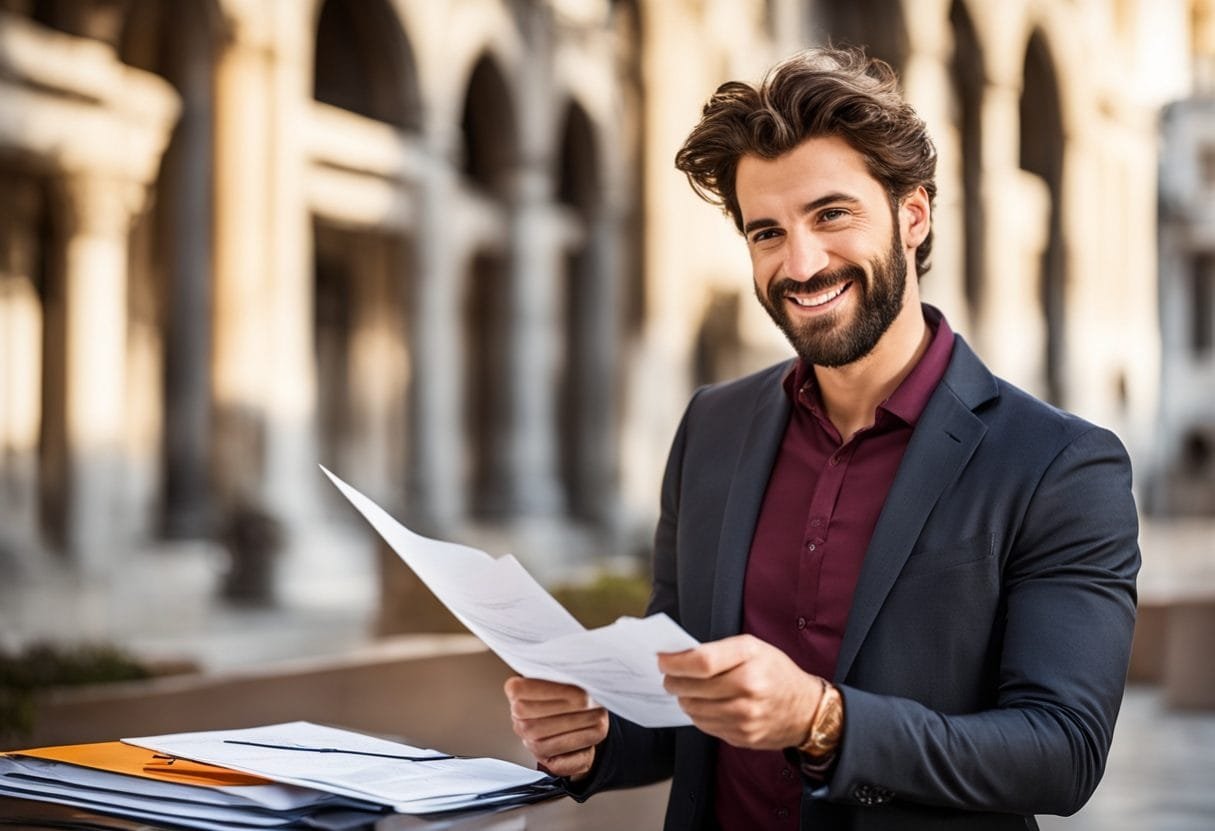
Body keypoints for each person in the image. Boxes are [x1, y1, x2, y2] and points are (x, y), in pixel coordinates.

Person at [503, 46, 1140, 830]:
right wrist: (597, 736)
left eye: (831, 214)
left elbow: (1061, 751)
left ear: (912, 215)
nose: (799, 263)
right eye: (766, 232)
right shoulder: (712, 424)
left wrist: (822, 718)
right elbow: (683, 703)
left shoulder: (1060, 465)